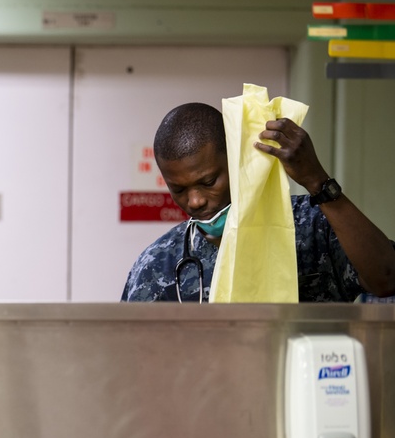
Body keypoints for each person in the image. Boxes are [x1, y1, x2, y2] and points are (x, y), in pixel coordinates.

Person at [122, 102, 395, 303]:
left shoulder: (310, 225)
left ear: (235, 160)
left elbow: (386, 278)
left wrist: (317, 180)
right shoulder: (155, 265)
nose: (195, 201)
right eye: (178, 189)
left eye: (208, 182)